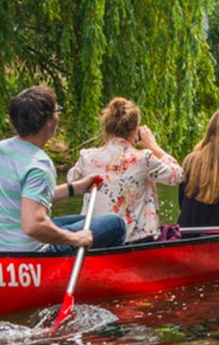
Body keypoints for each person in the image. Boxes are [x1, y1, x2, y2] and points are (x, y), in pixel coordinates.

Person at [0, 86, 126, 253]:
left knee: (88, 220)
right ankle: (102, 268)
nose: (58, 116)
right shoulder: (39, 165)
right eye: (57, 111)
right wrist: (75, 238)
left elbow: (28, 199)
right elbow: (33, 226)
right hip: (29, 255)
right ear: (48, 121)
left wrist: (75, 188)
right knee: (115, 224)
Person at [69, 97, 184, 243]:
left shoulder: (87, 157)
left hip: (95, 239)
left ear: (106, 127)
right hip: (135, 240)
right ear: (135, 130)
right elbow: (178, 175)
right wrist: (153, 146)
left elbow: (71, 181)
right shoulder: (143, 159)